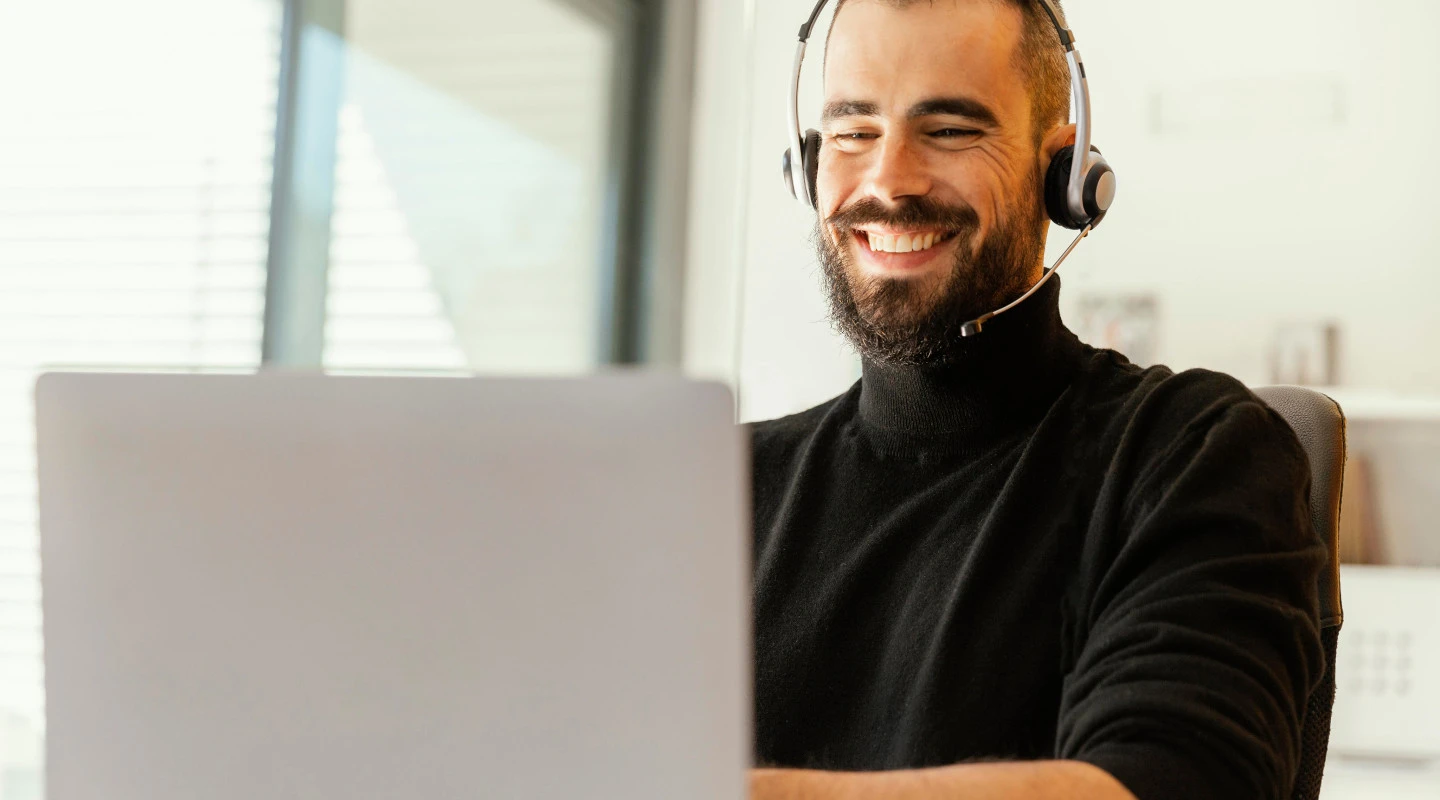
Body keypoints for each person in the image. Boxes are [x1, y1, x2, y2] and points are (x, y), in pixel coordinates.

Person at [748, 1, 1326, 799]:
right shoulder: (719, 483)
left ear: (1065, 172)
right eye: (853, 132)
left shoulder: (1191, 453)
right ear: (806, 163)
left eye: (949, 130)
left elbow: (1169, 780)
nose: (888, 180)